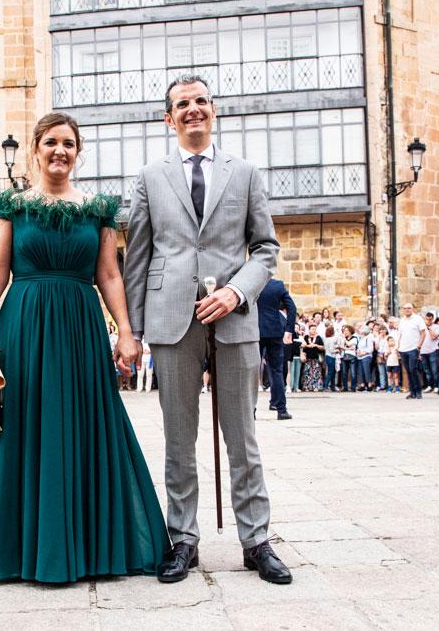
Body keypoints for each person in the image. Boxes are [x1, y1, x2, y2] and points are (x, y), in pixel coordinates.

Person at [0, 112, 168, 583]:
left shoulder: (97, 211)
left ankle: (91, 548)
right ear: (35, 149)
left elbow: (110, 275)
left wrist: (125, 331)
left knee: (89, 422)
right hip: (24, 327)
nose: (60, 151)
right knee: (24, 427)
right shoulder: (11, 207)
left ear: (78, 153)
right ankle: (24, 553)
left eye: (69, 144)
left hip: (81, 328)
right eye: (52, 142)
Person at [123, 75, 289, 585]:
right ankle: (183, 540)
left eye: (200, 101)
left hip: (233, 318)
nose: (192, 109)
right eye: (182, 104)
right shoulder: (150, 177)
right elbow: (138, 256)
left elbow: (265, 248)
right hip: (170, 320)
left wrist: (237, 291)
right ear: (168, 118)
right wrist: (132, 330)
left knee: (243, 437)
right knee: (178, 438)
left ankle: (256, 541)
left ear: (213, 110)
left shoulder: (246, 173)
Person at [256, 278, 295, 419]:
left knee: (252, 371)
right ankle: (281, 409)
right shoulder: (277, 285)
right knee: (276, 371)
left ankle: (251, 410)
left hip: (255, 331)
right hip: (275, 331)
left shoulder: (253, 283)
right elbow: (292, 307)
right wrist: (289, 329)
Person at [397, 303, 427, 399]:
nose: (407, 310)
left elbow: (423, 333)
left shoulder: (418, 319)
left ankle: (418, 391)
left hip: (413, 348)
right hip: (403, 349)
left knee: (413, 369)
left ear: (413, 309)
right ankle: (412, 392)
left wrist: (419, 346)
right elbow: (399, 335)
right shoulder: (402, 320)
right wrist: (398, 347)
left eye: (409, 308)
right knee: (408, 371)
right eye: (405, 308)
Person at [419, 312, 439, 392]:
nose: (428, 321)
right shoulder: (421, 327)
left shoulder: (437, 327)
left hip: (433, 350)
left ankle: (436, 385)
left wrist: (428, 328)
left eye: (430, 319)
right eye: (427, 319)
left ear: (433, 319)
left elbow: (434, 337)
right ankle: (429, 385)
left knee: (434, 370)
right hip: (423, 350)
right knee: (427, 370)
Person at [301, 323, 324, 391]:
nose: (314, 330)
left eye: (315, 329)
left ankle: (316, 386)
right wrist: (308, 346)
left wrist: (316, 345)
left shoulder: (318, 337)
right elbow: (302, 346)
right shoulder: (306, 337)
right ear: (309, 330)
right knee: (307, 372)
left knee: (316, 373)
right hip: (307, 357)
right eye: (312, 329)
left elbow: (322, 347)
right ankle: (307, 387)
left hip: (316, 357)